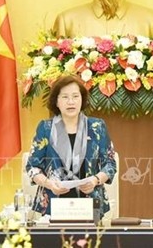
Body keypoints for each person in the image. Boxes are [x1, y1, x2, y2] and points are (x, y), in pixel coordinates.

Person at [26, 75, 117, 217]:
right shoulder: (45, 128)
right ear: (56, 101)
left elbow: (110, 164)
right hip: (53, 204)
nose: (71, 102)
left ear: (82, 100)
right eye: (65, 97)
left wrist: (95, 180)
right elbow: (32, 167)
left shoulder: (97, 127)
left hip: (90, 204)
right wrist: (49, 184)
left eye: (75, 96)